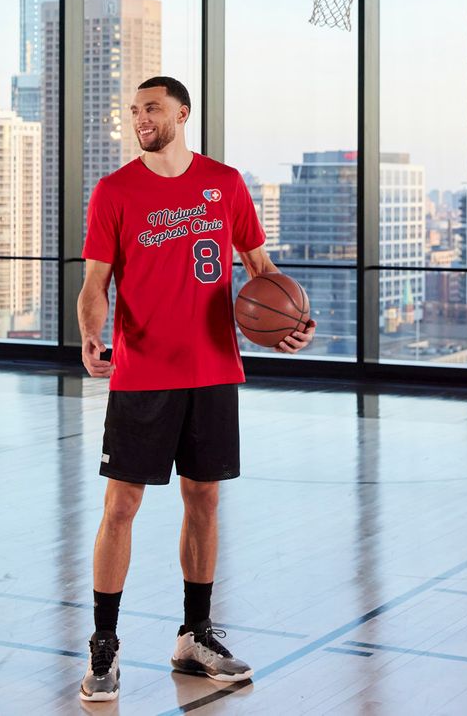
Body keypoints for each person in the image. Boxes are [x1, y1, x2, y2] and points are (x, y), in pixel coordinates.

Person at [77, 76, 314, 703]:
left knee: (203, 500)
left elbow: (262, 274)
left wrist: (293, 325)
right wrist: (89, 336)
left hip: (214, 369)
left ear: (182, 113)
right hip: (143, 371)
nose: (141, 118)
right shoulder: (115, 190)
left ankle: (195, 633)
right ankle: (105, 643)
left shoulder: (226, 184)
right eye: (134, 111)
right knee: (121, 507)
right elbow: (95, 284)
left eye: (152, 108)